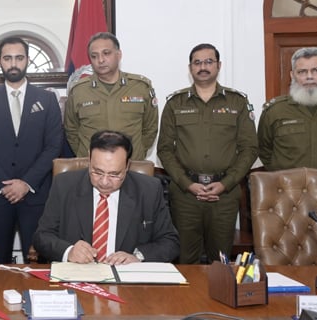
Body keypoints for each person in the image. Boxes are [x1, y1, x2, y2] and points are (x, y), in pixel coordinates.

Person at [157, 43, 258, 264]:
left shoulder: (237, 102)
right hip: (185, 195)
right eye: (197, 62)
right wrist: (187, 183)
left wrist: (226, 183)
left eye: (209, 61)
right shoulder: (175, 103)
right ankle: (187, 300)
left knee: (220, 260)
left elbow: (249, 148)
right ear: (190, 67)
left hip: (224, 193)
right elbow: (164, 149)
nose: (203, 67)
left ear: (218, 65)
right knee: (185, 258)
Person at [0, 37, 63, 264]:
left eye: (19, 58)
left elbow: (53, 146)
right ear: (0, 62)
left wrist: (26, 184)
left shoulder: (48, 99)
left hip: (36, 195)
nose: (13, 63)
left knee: (39, 262)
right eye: (7, 58)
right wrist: (4, 185)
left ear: (27, 61)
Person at [33, 130, 179, 264]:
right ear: (89, 159)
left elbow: (170, 242)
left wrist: (138, 257)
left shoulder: (149, 190)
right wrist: (68, 251)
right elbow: (42, 236)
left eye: (114, 174)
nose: (104, 181)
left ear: (127, 165)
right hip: (78, 277)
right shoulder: (64, 185)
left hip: (126, 281)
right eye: (97, 172)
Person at [64, 32, 158, 159]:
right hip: (92, 168)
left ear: (119, 55)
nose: (100, 60)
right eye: (94, 56)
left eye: (106, 53)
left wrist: (136, 152)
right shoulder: (78, 90)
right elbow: (71, 131)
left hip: (131, 165)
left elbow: (150, 129)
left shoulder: (140, 87)